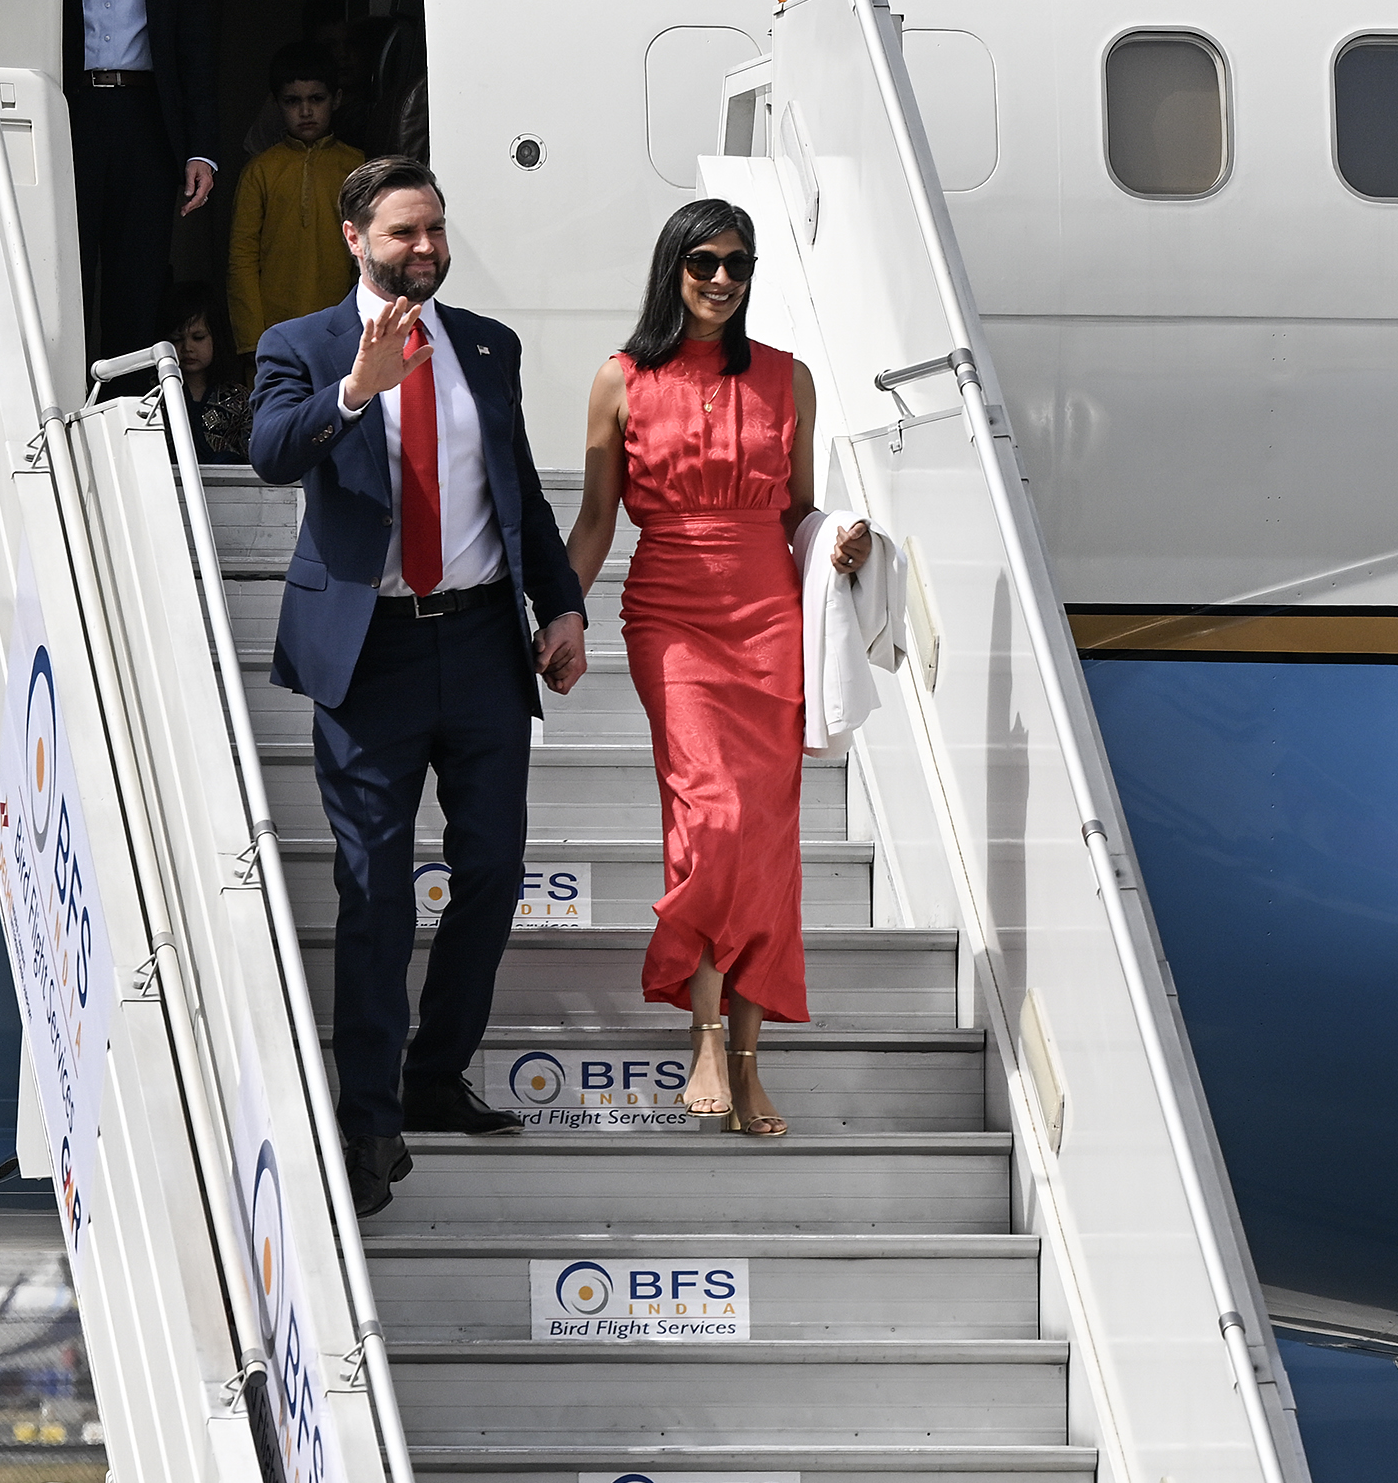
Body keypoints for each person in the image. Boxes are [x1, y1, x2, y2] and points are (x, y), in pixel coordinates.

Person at [248, 158, 588, 1216]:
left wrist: (561, 601)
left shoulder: (487, 344)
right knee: (374, 887)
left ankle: (436, 1072)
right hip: (371, 653)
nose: (426, 249)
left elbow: (516, 486)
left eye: (436, 229)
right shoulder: (302, 346)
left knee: (492, 870)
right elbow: (264, 453)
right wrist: (356, 391)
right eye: (404, 233)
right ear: (355, 238)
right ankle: (369, 1119)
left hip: (483, 640)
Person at [565, 201, 869, 1141]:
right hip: (671, 617)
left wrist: (839, 543)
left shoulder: (790, 378)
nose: (722, 279)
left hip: (768, 617)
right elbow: (596, 523)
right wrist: (557, 609)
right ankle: (703, 1037)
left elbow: (799, 512)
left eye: (738, 263)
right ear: (674, 268)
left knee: (768, 839)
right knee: (715, 816)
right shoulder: (619, 380)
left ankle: (746, 1059)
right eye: (704, 262)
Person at [61, 0, 218, 362]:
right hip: (69, 113)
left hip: (146, 120)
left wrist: (200, 148)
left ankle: (127, 421)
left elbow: (193, 46)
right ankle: (59, 413)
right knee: (65, 271)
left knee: (138, 283)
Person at [229, 47, 365, 354]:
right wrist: (253, 338)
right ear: (277, 104)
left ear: (337, 99)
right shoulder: (260, 171)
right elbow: (242, 257)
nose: (305, 111)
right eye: (293, 101)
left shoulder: (357, 167)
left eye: (317, 99)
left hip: (344, 328)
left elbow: (370, 253)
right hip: (275, 333)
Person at [160, 279, 253, 467]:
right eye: (177, 339)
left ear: (216, 337)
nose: (187, 348)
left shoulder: (240, 399)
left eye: (198, 338)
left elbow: (256, 462)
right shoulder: (153, 397)